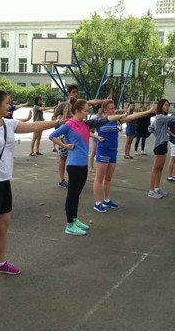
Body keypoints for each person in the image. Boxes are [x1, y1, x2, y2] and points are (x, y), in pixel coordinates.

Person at [0, 87, 70, 290]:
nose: (10, 106)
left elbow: (34, 125)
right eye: (7, 103)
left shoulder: (8, 124)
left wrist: (58, 122)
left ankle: (0, 263)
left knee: (3, 226)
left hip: (3, 182)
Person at [49, 100, 126, 233]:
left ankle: (74, 219)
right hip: (73, 165)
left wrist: (121, 115)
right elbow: (52, 136)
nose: (87, 113)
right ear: (77, 111)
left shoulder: (85, 124)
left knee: (77, 194)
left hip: (83, 165)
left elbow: (105, 119)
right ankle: (69, 225)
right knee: (72, 195)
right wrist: (65, 146)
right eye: (85, 110)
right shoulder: (68, 125)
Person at [92, 100, 154, 212]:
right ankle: (97, 203)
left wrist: (148, 111)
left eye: (114, 108)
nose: (114, 110)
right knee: (99, 178)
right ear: (105, 110)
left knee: (108, 178)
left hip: (113, 152)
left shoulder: (116, 120)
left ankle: (106, 200)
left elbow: (132, 116)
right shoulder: (98, 120)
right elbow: (85, 129)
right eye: (111, 108)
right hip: (103, 151)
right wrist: (96, 137)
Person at [51, 85, 106, 188]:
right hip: (66, 133)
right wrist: (63, 120)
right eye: (73, 92)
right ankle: (62, 179)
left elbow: (92, 101)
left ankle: (74, 178)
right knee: (63, 157)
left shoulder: (80, 104)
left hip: (77, 133)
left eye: (76, 92)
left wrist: (104, 101)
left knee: (76, 155)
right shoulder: (63, 104)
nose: (75, 94)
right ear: (68, 93)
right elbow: (53, 118)